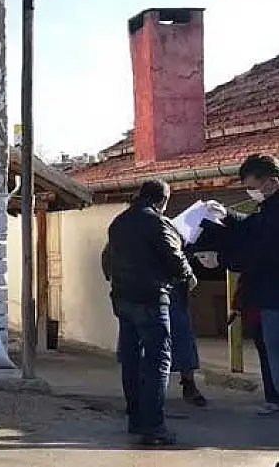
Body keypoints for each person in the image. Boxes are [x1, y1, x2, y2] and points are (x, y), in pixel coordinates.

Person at [103, 179, 197, 447]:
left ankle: (135, 418)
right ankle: (154, 426)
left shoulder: (118, 223)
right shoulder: (158, 222)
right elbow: (174, 257)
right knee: (158, 361)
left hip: (123, 299)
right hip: (152, 299)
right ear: (162, 201)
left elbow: (107, 259)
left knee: (131, 361)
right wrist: (189, 276)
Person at [204, 154, 279, 410]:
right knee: (269, 352)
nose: (250, 192)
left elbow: (262, 251)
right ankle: (274, 399)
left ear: (271, 183)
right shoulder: (268, 209)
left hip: (274, 297)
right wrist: (226, 214)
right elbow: (251, 226)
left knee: (275, 353)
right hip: (266, 298)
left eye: (252, 187)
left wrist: (221, 259)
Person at [230, 278, 279, 415]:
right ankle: (272, 397)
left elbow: (245, 284)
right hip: (260, 311)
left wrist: (236, 307)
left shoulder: (255, 263)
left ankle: (273, 398)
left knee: (268, 357)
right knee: (268, 356)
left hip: (261, 311)